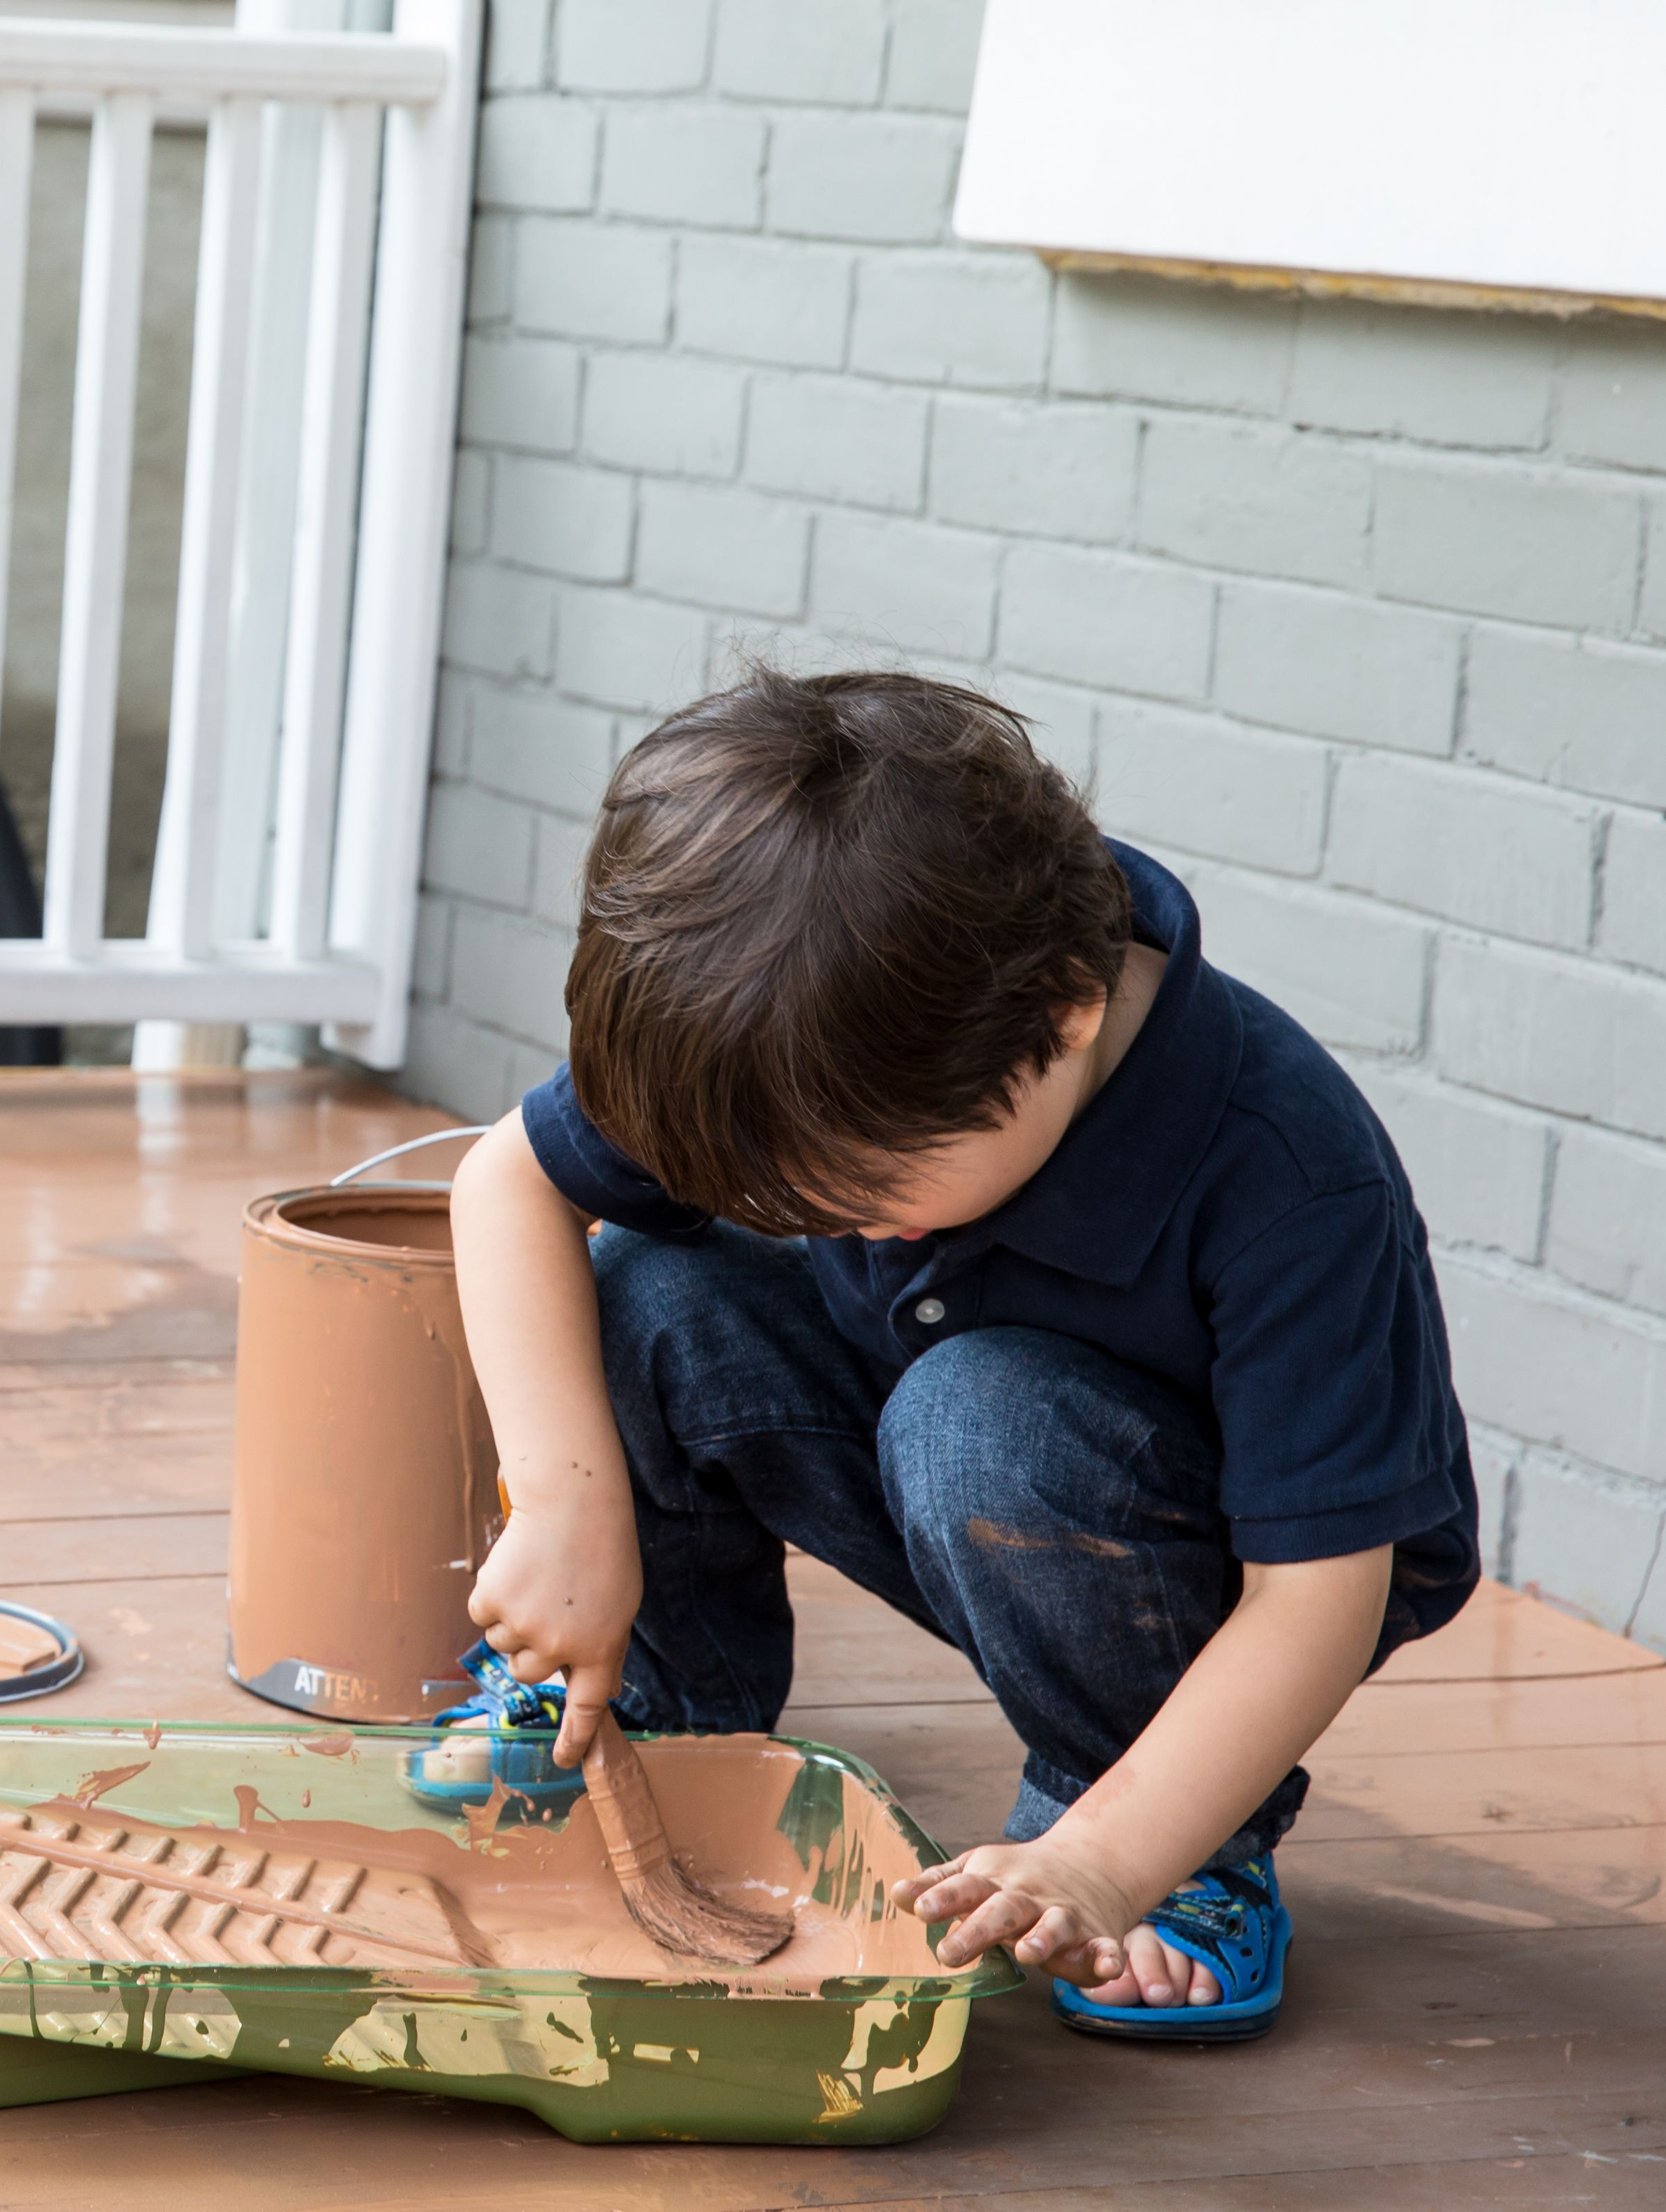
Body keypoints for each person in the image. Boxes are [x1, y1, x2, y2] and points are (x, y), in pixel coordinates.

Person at [444, 669, 1477, 2042]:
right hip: (935, 1428)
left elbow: (1317, 1605)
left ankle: (1180, 1846)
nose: (811, 1228)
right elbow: (507, 1184)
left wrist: (1110, 1857)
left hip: (1204, 1576)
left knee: (983, 1416)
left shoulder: (1288, 1178)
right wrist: (570, 1500)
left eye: (855, 1197)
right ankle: (651, 1711)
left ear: (1063, 1021)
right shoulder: (814, 1009)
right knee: (649, 1282)